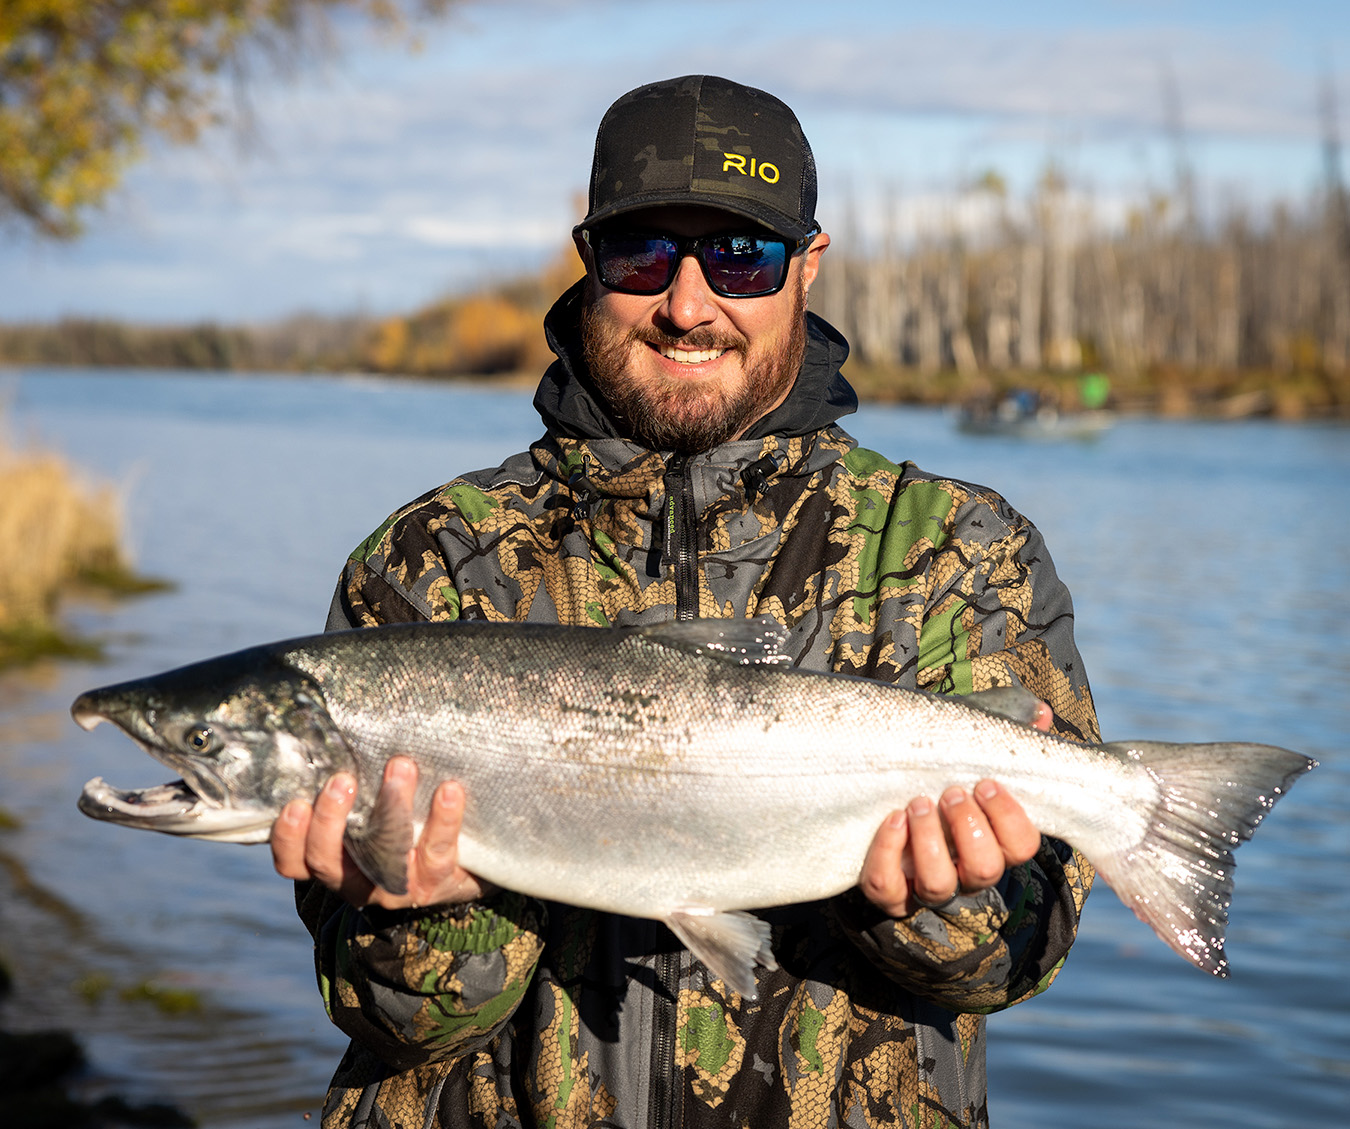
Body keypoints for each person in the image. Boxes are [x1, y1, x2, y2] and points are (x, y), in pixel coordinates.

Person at [270, 74, 1099, 1129]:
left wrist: (943, 906)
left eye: (741, 256)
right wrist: (428, 920)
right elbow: (394, 1027)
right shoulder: (427, 559)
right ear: (589, 263)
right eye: (645, 254)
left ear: (806, 267)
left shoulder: (959, 553)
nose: (689, 304)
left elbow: (1018, 956)